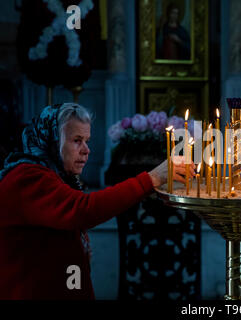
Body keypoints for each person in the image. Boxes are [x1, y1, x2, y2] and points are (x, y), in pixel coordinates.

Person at [0, 103, 194, 299]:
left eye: (86, 141)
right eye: (77, 140)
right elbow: (83, 209)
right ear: (52, 140)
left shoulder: (55, 176)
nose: (86, 150)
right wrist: (151, 179)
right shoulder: (27, 177)